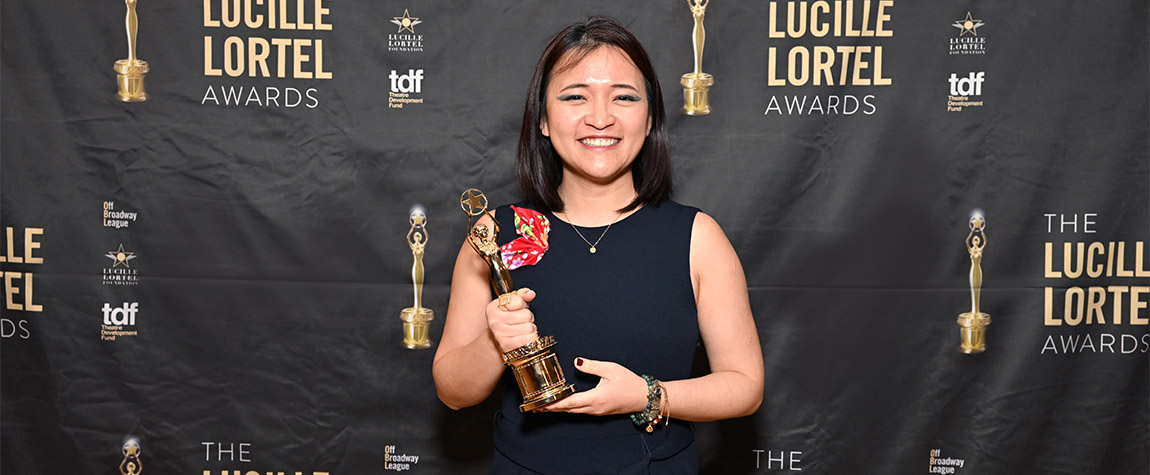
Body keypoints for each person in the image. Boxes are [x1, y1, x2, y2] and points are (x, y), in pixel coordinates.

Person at [432, 16, 763, 474]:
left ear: (650, 118)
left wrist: (648, 395)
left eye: (624, 97)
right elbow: (452, 392)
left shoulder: (697, 237)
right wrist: (496, 342)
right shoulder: (494, 234)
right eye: (575, 97)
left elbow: (744, 386)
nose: (601, 117)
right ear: (543, 119)